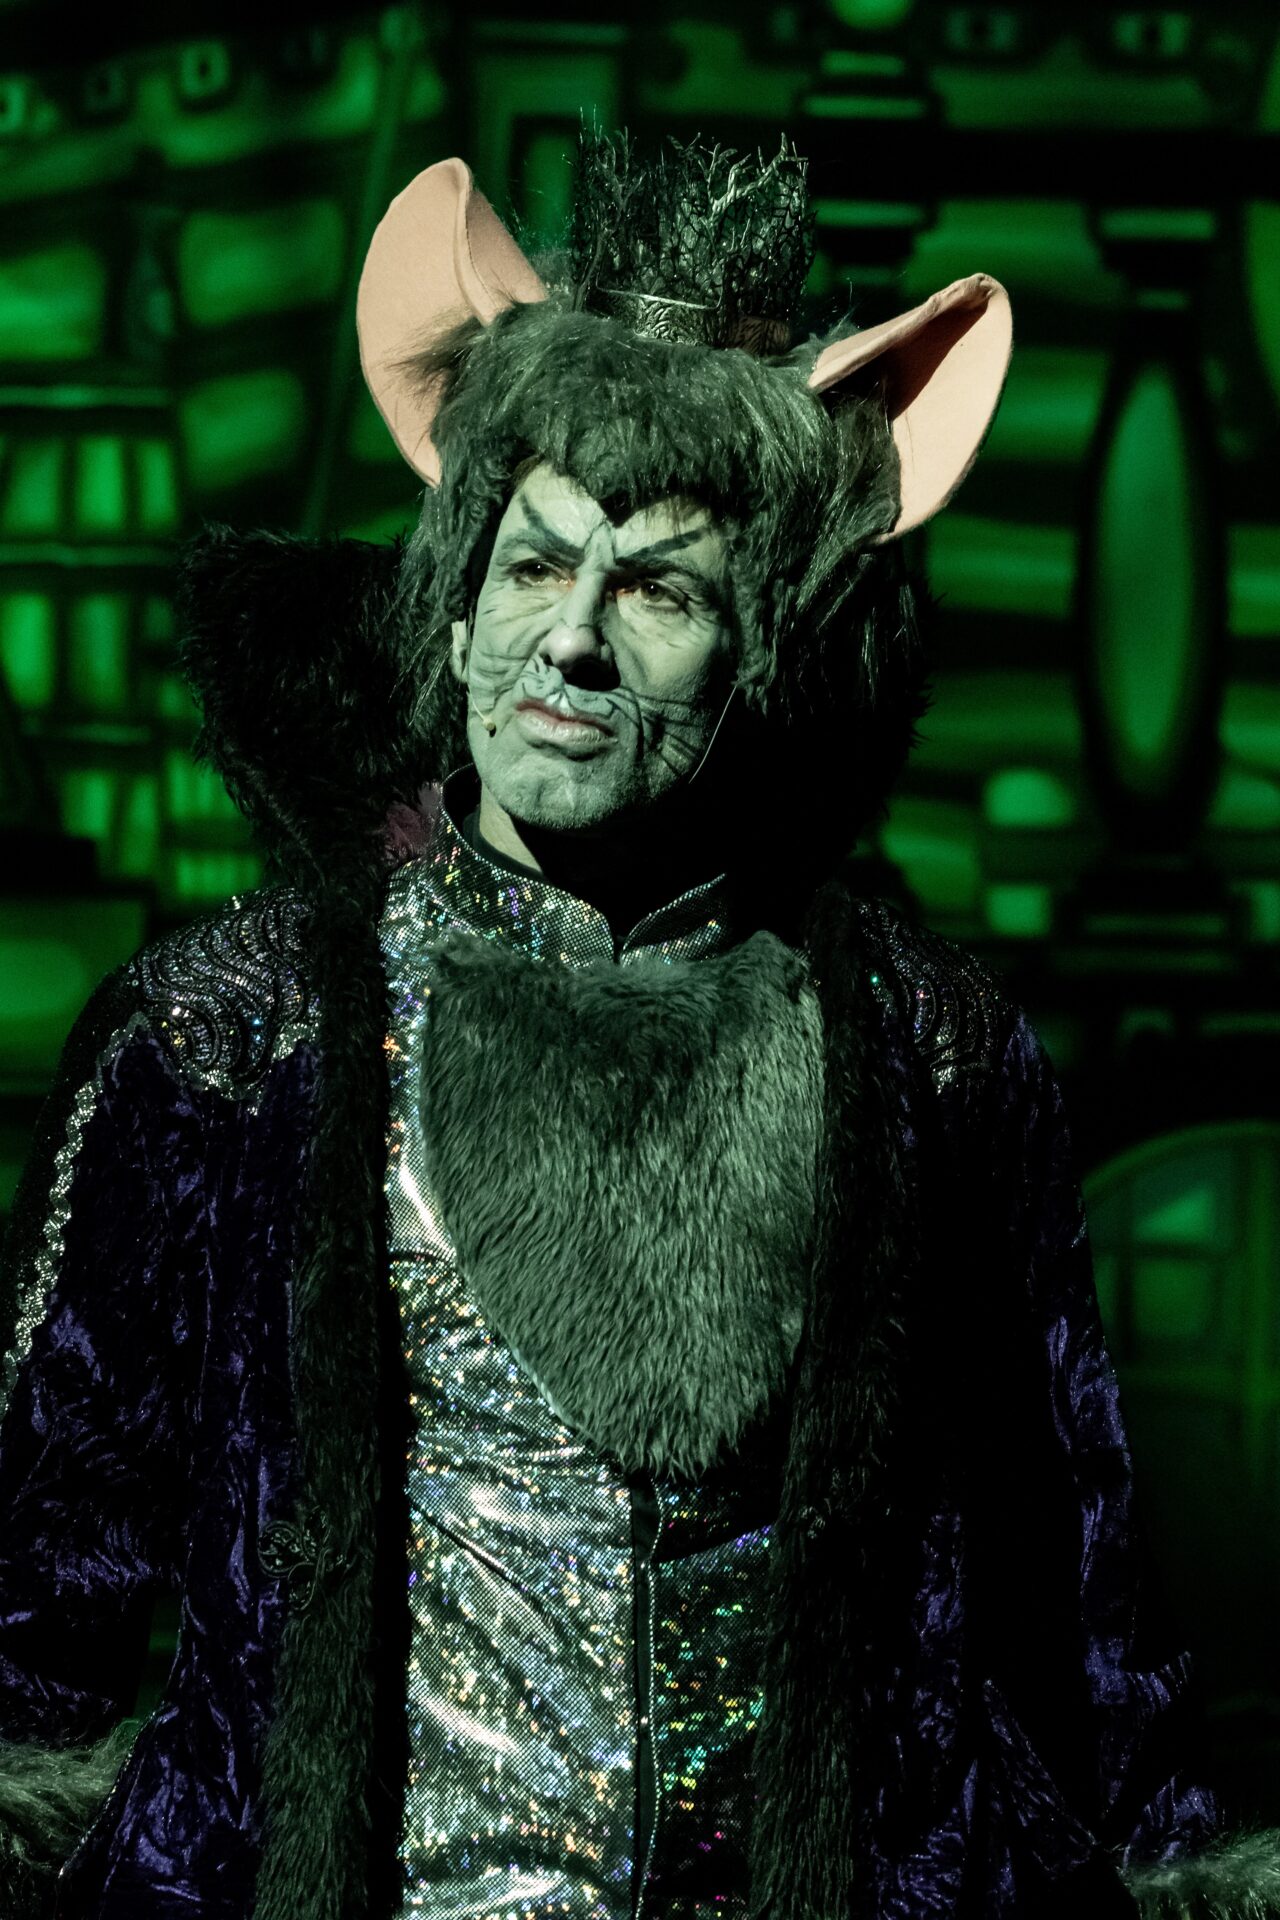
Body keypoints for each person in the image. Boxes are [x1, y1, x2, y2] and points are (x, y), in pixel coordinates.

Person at [0, 131, 1268, 1920]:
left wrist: (1175, 1872)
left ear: (760, 655)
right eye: (535, 568)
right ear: (454, 608)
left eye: (660, 590)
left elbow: (1073, 1585)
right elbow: (41, 1583)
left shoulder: (926, 1055)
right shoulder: (234, 1037)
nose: (574, 643)